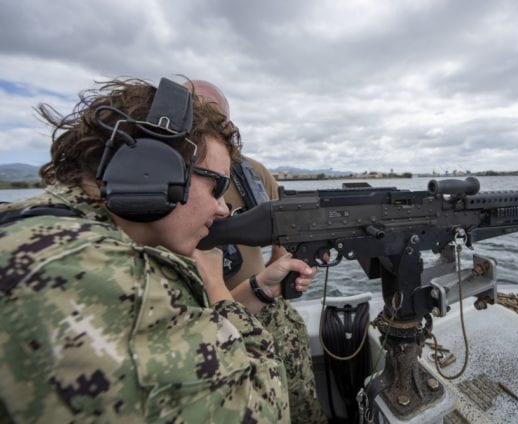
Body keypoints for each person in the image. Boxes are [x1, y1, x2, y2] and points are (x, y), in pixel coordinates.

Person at [0, 77, 317, 422]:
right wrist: (215, 286)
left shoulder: (41, 225)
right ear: (152, 169)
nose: (223, 209)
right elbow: (260, 410)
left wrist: (259, 287)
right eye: (215, 187)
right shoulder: (106, 276)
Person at [185, 80, 327, 423]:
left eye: (217, 119)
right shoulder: (167, 188)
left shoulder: (255, 173)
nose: (220, 209)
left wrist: (278, 280)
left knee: (301, 402)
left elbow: (283, 235)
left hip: (263, 306)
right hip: (209, 326)